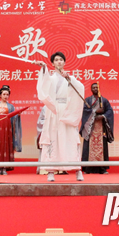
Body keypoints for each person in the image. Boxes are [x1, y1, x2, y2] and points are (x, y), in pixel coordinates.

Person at [33, 51, 85, 182]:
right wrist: (43, 67)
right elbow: (43, 86)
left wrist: (69, 79)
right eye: (56, 60)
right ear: (52, 63)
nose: (59, 62)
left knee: (71, 139)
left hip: (67, 112)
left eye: (61, 59)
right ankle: (51, 171)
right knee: (53, 139)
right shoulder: (50, 78)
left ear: (64, 62)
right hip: (54, 111)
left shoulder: (70, 78)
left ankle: (78, 170)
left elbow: (80, 88)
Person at [81, 82, 115, 174]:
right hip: (90, 127)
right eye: (94, 87)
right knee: (88, 147)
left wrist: (103, 116)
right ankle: (87, 169)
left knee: (101, 146)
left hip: (101, 127)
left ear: (99, 89)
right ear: (91, 89)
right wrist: (95, 111)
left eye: (97, 87)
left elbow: (109, 111)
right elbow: (84, 111)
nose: (95, 89)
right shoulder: (87, 100)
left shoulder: (104, 100)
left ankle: (102, 169)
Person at [0, 85, 22, 175]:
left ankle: (5, 168)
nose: (6, 96)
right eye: (4, 94)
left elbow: (14, 118)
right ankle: (0, 168)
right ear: (0, 95)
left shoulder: (11, 107)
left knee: (6, 146)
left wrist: (18, 116)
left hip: (7, 130)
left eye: (7, 94)